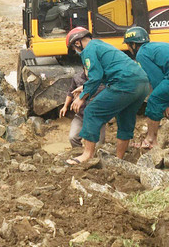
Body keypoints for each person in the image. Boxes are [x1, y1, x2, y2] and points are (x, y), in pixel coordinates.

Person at [64, 27, 149, 165]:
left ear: (78, 43)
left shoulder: (88, 50)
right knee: (125, 117)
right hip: (142, 83)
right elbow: (106, 72)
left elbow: (95, 76)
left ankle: (87, 155)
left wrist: (82, 97)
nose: (76, 51)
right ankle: (119, 160)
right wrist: (84, 87)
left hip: (124, 83)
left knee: (91, 110)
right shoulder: (100, 45)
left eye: (74, 48)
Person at [60, 68, 106, 148]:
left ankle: (94, 157)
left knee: (98, 145)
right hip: (81, 115)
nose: (89, 72)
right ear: (83, 68)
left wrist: (83, 92)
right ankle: (79, 154)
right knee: (73, 137)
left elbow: (101, 88)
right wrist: (65, 106)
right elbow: (71, 91)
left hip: (97, 116)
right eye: (87, 69)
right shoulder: (77, 77)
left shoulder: (101, 78)